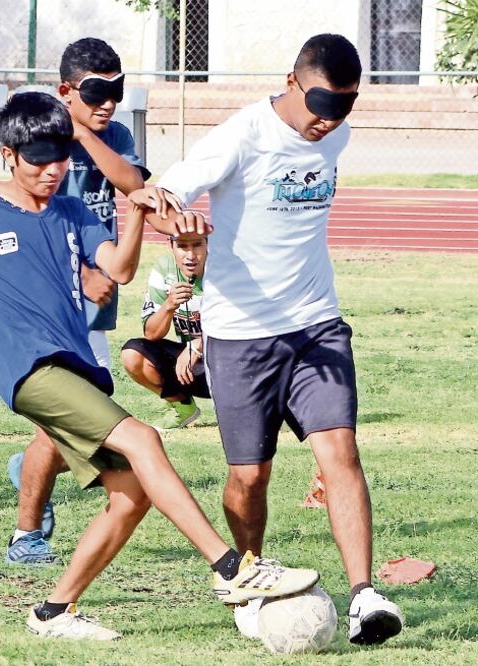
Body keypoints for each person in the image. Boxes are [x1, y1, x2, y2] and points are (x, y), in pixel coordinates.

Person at [0, 92, 321, 640]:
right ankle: (232, 569)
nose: (52, 171)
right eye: (37, 161)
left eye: (61, 159)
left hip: (72, 370)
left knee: (132, 494)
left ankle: (54, 611)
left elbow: (118, 269)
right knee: (144, 440)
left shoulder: (72, 211)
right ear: (8, 154)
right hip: (29, 373)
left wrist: (137, 211)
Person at [155, 34, 403, 645]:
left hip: (316, 322)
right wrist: (174, 215)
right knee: (250, 477)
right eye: (320, 103)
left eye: (343, 107)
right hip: (241, 334)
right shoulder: (243, 134)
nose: (328, 120)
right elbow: (167, 192)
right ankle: (249, 578)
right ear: (293, 82)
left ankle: (364, 596)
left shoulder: (334, 132)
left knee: (340, 453)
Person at [5, 37, 149, 565]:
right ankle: (28, 534)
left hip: (97, 297)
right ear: (66, 90)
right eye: (95, 92)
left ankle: (29, 474)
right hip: (53, 300)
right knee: (68, 421)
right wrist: (82, 271)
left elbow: (132, 184)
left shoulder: (113, 133)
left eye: (117, 90)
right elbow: (27, 210)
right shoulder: (41, 130)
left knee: (77, 423)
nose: (108, 101)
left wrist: (86, 131)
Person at [120, 232, 210, 431]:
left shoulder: (224, 270)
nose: (190, 255)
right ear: (171, 246)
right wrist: (169, 305)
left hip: (232, 362)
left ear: (207, 245)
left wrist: (196, 345)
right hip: (191, 366)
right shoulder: (164, 268)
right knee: (133, 353)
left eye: (197, 245)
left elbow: (246, 326)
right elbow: (152, 334)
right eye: (182, 246)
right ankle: (182, 407)